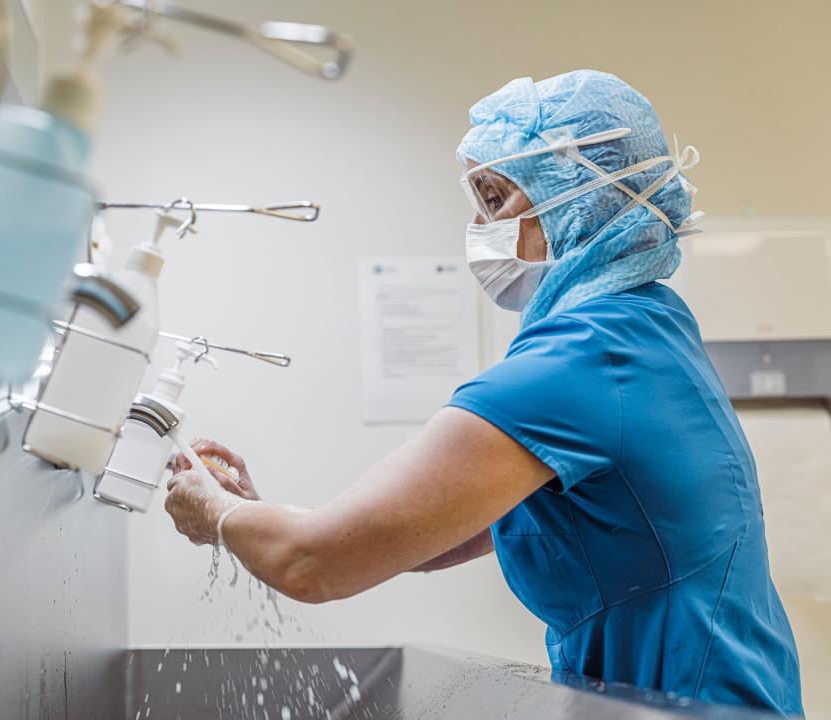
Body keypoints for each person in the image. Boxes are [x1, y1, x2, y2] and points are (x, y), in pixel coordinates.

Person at [164, 70, 803, 716]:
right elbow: (414, 539)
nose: (476, 225)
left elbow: (314, 564)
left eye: (495, 198)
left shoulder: (577, 365)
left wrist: (216, 514)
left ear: (574, 199)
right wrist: (254, 515)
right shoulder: (646, 326)